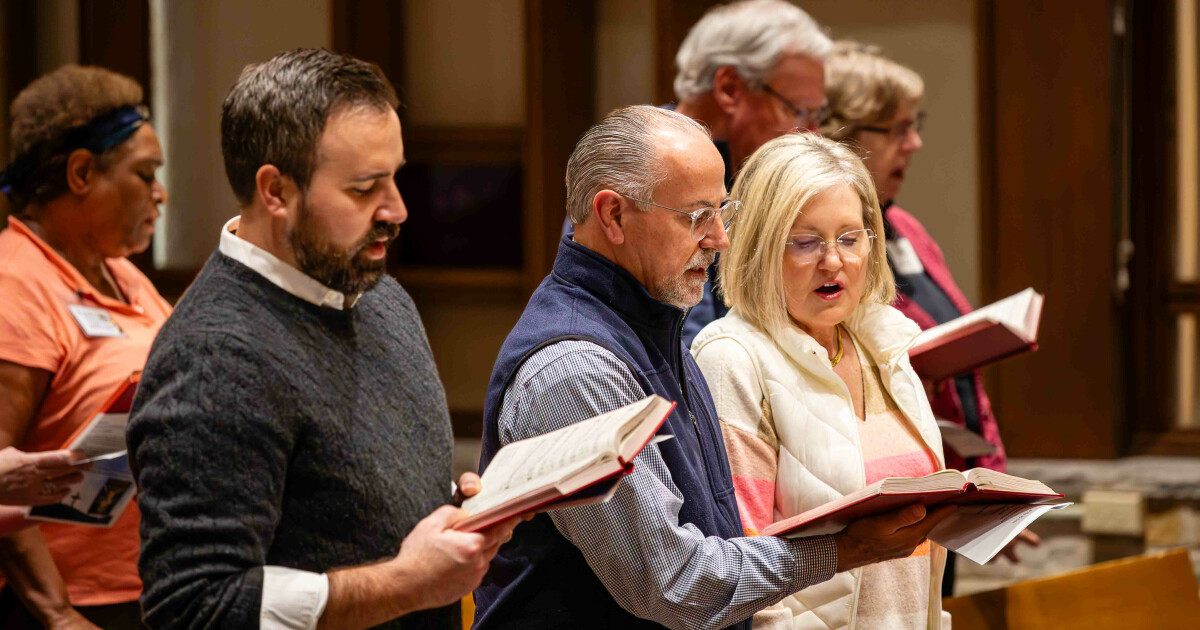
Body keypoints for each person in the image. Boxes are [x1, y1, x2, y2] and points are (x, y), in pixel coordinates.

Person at [474, 105, 954, 630]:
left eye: (722, 212)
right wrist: (843, 550)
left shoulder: (653, 325)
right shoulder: (576, 369)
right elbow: (675, 583)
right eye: (695, 215)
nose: (720, 239)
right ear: (612, 216)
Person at [126, 49, 519, 630]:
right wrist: (405, 583)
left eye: (396, 177)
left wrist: (459, 514)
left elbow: (349, 516)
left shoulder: (377, 295)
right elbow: (194, 606)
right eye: (364, 190)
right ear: (275, 191)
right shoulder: (215, 356)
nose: (399, 210)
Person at [692, 133, 952, 628]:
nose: (833, 262)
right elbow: (740, 556)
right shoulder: (732, 358)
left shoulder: (883, 343)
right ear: (761, 247)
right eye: (806, 243)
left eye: (850, 239)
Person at [819, 42, 1035, 594]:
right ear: (837, 134)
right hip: (873, 506)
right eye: (893, 129)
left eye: (914, 126)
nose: (913, 143)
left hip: (942, 489)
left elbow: (965, 370)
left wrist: (990, 477)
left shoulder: (906, 229)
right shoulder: (811, 253)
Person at [0, 64, 170, 629]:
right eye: (145, 174)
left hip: (150, 587)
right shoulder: (15, 284)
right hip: (70, 607)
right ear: (80, 173)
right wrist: (58, 615)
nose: (160, 193)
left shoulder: (123, 274)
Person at [674, 0, 833, 345]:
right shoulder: (647, 168)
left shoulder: (743, 167)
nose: (812, 134)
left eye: (816, 114)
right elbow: (689, 349)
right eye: (798, 110)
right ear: (730, 88)